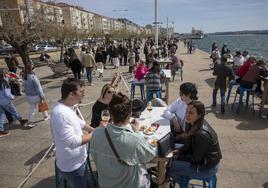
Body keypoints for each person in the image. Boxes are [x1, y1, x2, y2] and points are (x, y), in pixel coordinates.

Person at [90, 92, 156, 188]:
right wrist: (137, 132)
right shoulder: (135, 139)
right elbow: (150, 156)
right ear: (130, 114)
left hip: (106, 183)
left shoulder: (96, 133)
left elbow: (95, 159)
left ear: (110, 114)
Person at [50, 78, 95, 188]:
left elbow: (77, 121)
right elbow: (72, 142)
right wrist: (96, 133)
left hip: (77, 160)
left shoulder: (67, 106)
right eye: (81, 92)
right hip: (73, 165)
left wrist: (91, 129)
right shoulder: (61, 114)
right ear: (71, 94)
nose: (84, 94)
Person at [167, 101, 222, 188]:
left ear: (199, 115)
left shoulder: (201, 134)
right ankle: (183, 180)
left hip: (207, 166)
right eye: (186, 111)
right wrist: (179, 151)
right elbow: (189, 144)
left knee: (169, 168)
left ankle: (185, 184)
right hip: (203, 159)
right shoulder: (193, 123)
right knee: (172, 153)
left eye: (191, 113)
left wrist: (179, 156)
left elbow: (196, 158)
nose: (187, 115)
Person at [0, 70, 28, 137]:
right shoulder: (4, 82)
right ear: (4, 75)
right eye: (6, 73)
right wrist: (13, 97)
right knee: (13, 111)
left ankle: (0, 130)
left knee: (1, 115)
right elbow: (7, 94)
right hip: (5, 101)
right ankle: (21, 120)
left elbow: (13, 75)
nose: (8, 74)